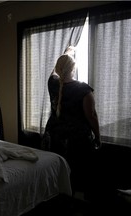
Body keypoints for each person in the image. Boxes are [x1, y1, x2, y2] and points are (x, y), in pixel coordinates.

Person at [42, 47, 102, 196]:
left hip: (55, 136)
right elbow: (92, 116)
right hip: (77, 140)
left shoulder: (53, 84)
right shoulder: (83, 89)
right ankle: (75, 200)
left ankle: (59, 199)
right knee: (76, 174)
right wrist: (98, 136)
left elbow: (54, 72)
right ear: (73, 69)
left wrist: (67, 53)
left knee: (59, 171)